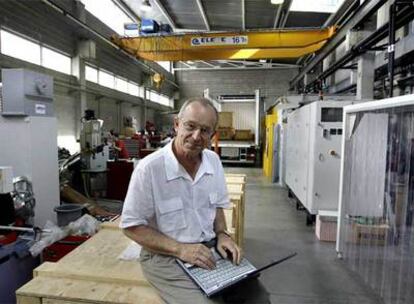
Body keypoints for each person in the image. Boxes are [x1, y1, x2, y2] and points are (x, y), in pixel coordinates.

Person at [120, 97, 269, 304]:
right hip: (165, 257)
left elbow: (216, 206)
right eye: (190, 126)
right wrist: (180, 249)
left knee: (258, 298)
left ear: (212, 135)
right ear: (177, 124)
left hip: (209, 249)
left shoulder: (213, 162)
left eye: (205, 130)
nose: (196, 136)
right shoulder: (149, 169)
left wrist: (223, 234)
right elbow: (131, 226)